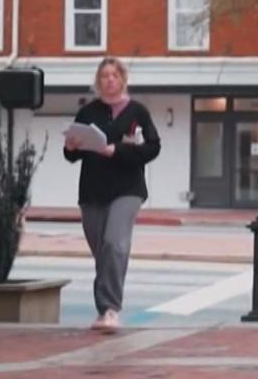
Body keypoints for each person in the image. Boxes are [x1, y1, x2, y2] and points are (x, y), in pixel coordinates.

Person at [63, 57, 161, 333]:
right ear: (98, 81)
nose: (109, 80)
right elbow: (71, 156)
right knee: (102, 251)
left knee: (114, 245)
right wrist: (72, 147)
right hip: (93, 190)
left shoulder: (137, 112)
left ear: (122, 79)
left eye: (113, 75)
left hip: (127, 189)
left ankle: (110, 309)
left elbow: (153, 147)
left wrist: (117, 151)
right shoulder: (88, 112)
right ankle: (104, 308)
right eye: (104, 76)